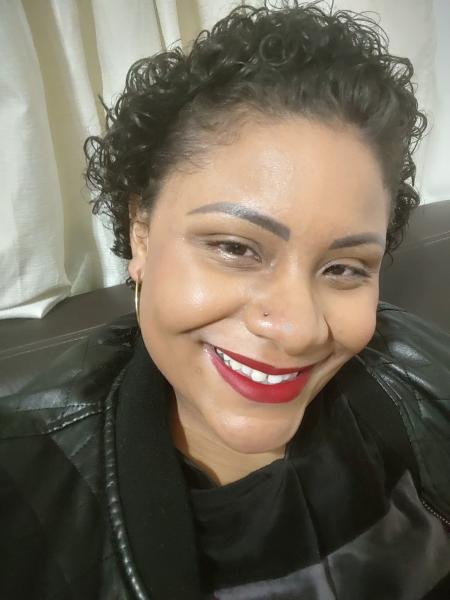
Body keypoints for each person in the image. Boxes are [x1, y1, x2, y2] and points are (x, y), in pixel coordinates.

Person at [1, 2, 449, 599]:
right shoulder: (23, 486)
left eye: (343, 267)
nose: (297, 329)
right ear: (141, 231)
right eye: (236, 248)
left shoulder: (421, 371)